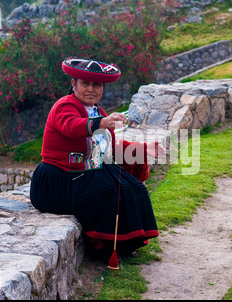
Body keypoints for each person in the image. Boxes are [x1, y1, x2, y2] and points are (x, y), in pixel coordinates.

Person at [30, 57, 164, 262]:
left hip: (83, 175)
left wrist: (144, 149)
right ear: (73, 84)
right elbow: (73, 126)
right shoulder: (64, 107)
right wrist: (102, 122)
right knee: (109, 191)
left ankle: (126, 242)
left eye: (97, 84)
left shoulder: (98, 112)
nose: (91, 89)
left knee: (134, 187)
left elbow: (109, 148)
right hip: (58, 180)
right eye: (85, 83)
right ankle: (101, 245)